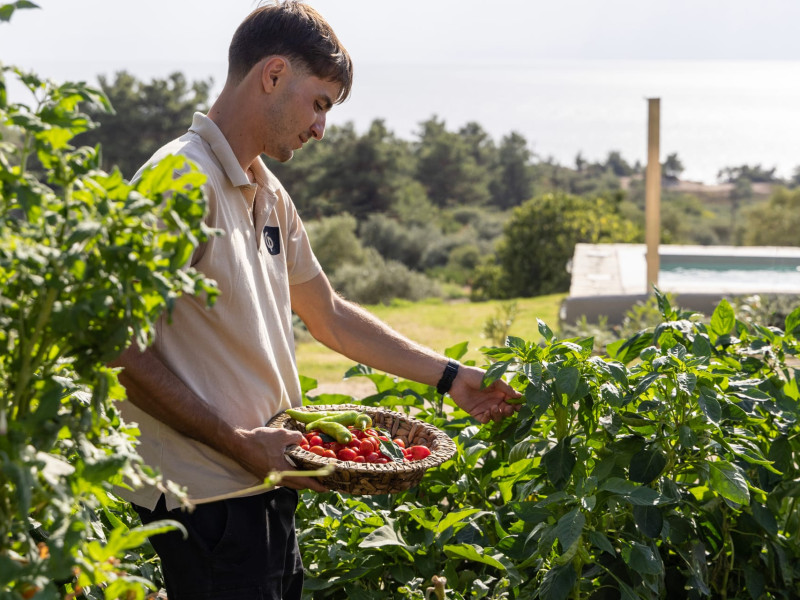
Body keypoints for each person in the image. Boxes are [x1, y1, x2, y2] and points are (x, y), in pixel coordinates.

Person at [111, 2, 521, 599]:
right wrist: (239, 443)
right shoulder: (179, 181)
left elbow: (328, 314)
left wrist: (451, 377)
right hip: (207, 497)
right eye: (320, 103)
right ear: (273, 75)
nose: (321, 128)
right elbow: (117, 348)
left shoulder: (268, 192)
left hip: (268, 480)